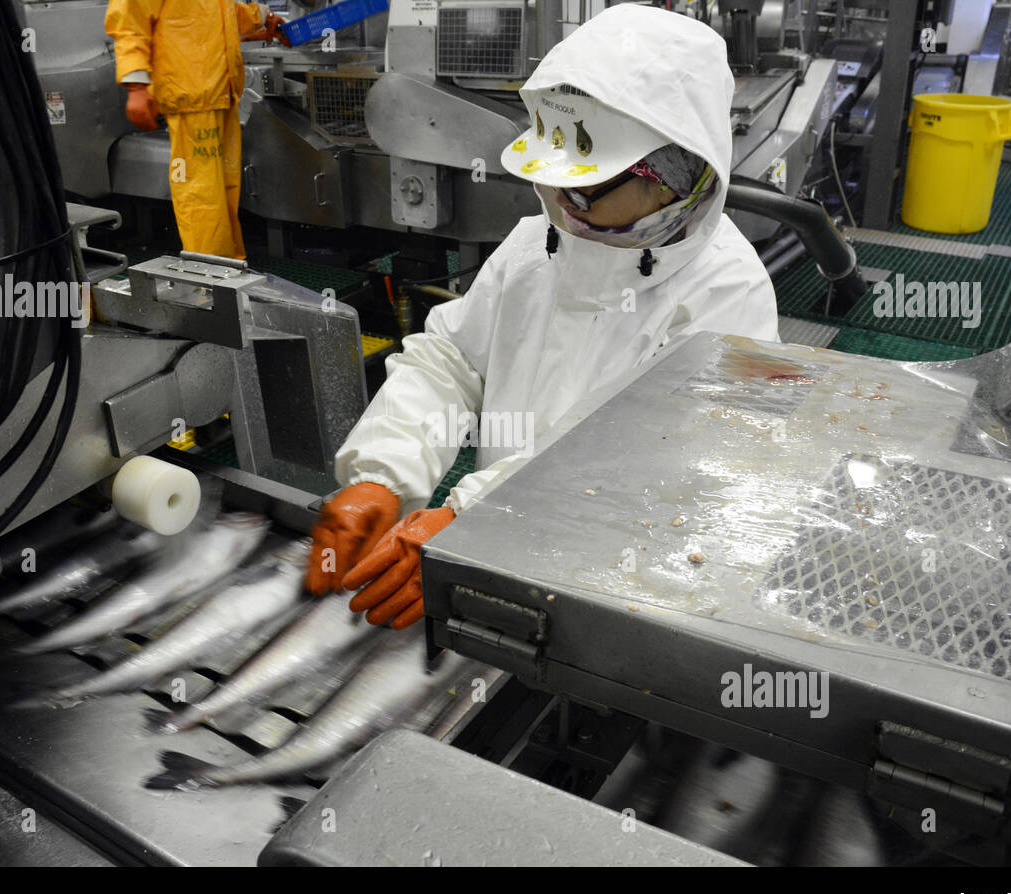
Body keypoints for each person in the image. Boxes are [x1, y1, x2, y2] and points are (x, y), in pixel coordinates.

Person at [306, 5, 779, 629]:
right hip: (492, 563)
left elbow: (653, 467)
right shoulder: (539, 243)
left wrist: (476, 517)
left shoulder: (728, 295)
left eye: (584, 188)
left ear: (676, 174)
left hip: (630, 593)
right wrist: (383, 472)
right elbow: (452, 362)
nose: (561, 205)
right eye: (553, 181)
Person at [104, 0, 287, 260]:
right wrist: (136, 84)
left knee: (224, 191)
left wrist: (263, 17)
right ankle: (210, 276)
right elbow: (129, 19)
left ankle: (231, 266)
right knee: (200, 195)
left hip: (221, 92)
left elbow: (221, 11)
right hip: (190, 97)